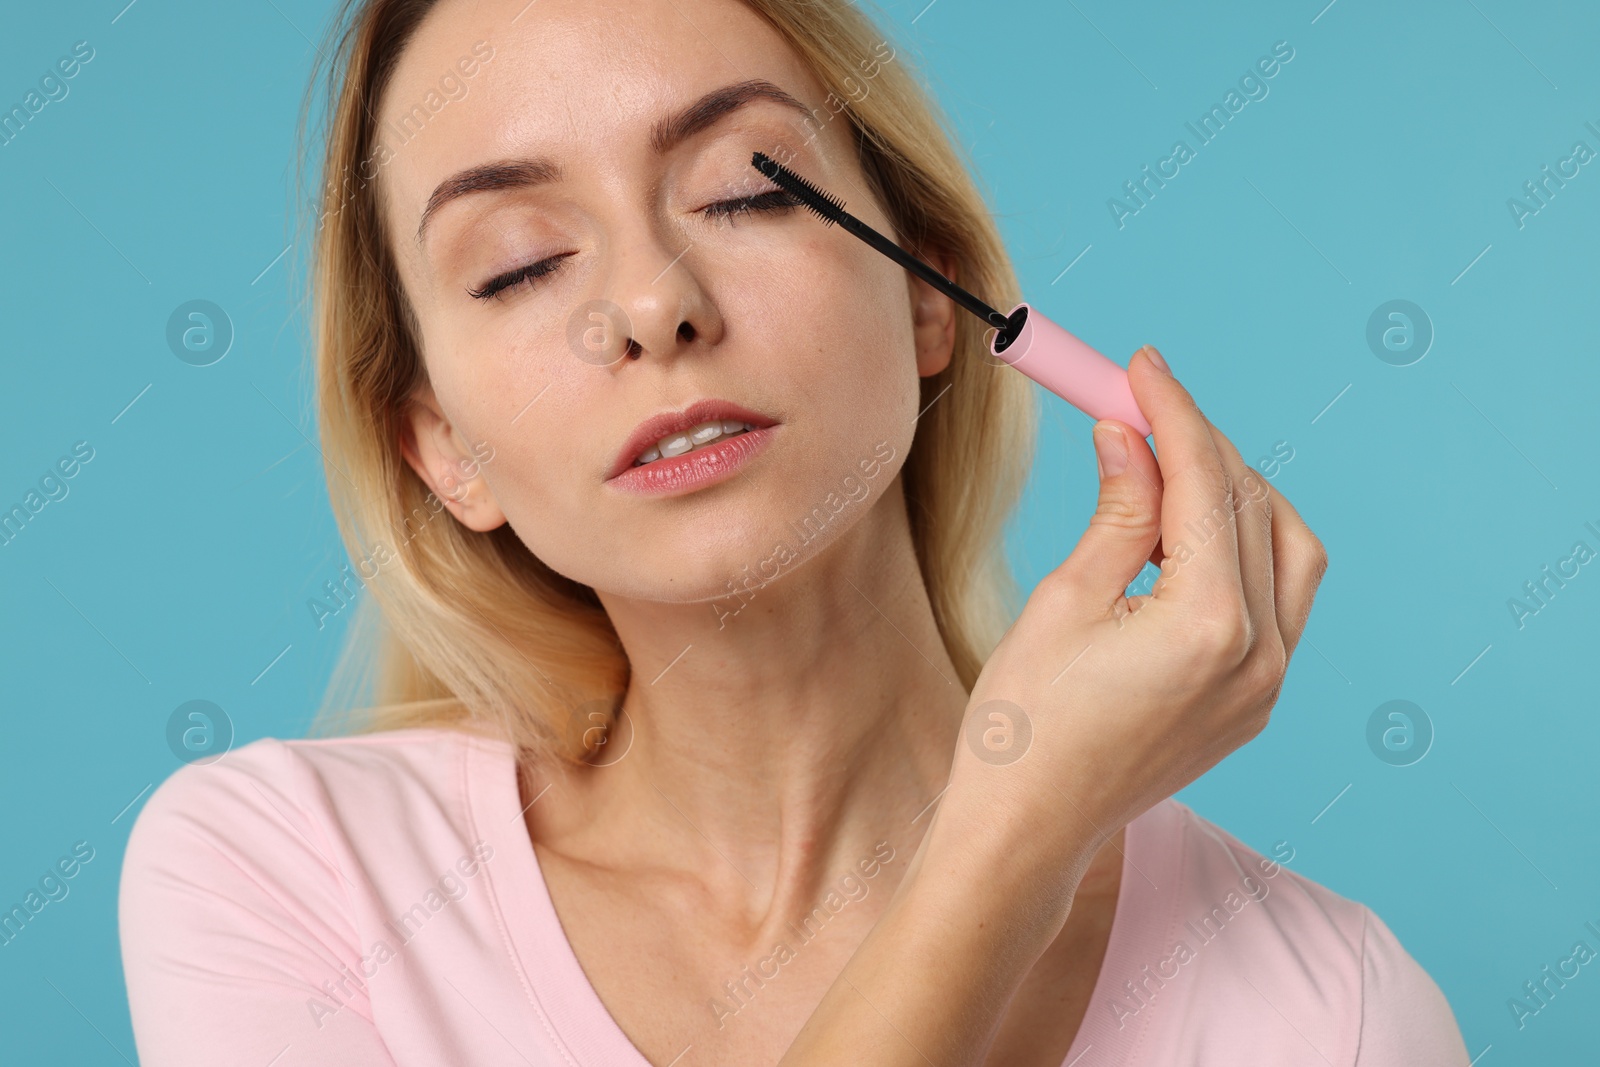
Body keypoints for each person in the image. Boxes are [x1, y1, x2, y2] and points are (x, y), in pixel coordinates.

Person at [118, 0, 1471, 1063]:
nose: (650, 303)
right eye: (521, 263)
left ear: (930, 295)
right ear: (443, 453)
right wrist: (1010, 841)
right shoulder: (282, 885)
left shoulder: (1330, 1018)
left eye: (749, 188)